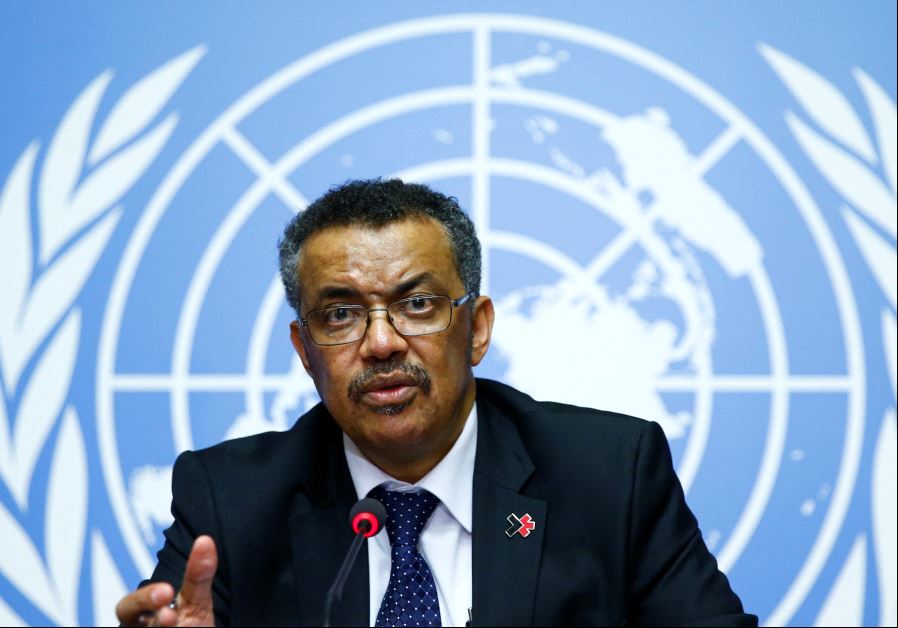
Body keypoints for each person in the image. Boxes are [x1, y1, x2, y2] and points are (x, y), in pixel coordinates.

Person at [116, 178, 756, 627]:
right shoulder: (230, 502)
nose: (382, 343)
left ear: (476, 328)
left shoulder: (610, 474)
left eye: (417, 304)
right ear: (306, 350)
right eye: (340, 314)